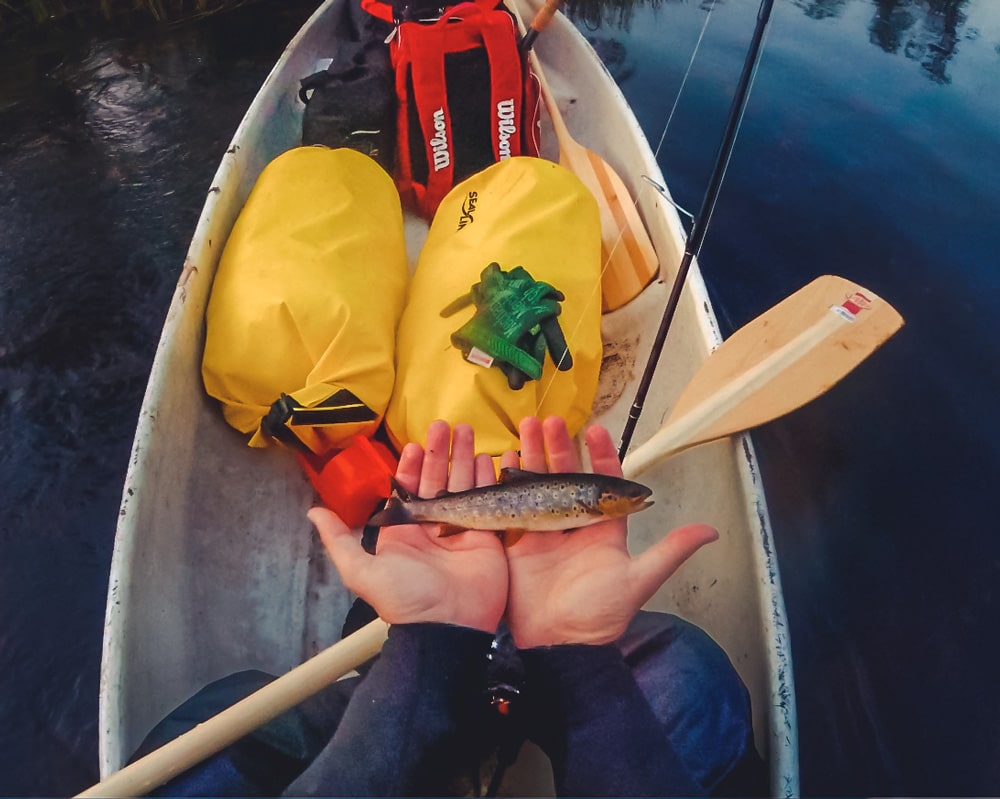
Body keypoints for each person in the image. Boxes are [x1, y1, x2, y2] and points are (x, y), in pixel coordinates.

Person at [134, 416, 766, 796]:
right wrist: (583, 668)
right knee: (688, 675)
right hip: (593, 715)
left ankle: (435, 678)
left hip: (390, 720)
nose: (629, 502)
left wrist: (423, 653)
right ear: (607, 503)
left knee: (221, 729)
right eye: (624, 499)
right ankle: (502, 671)